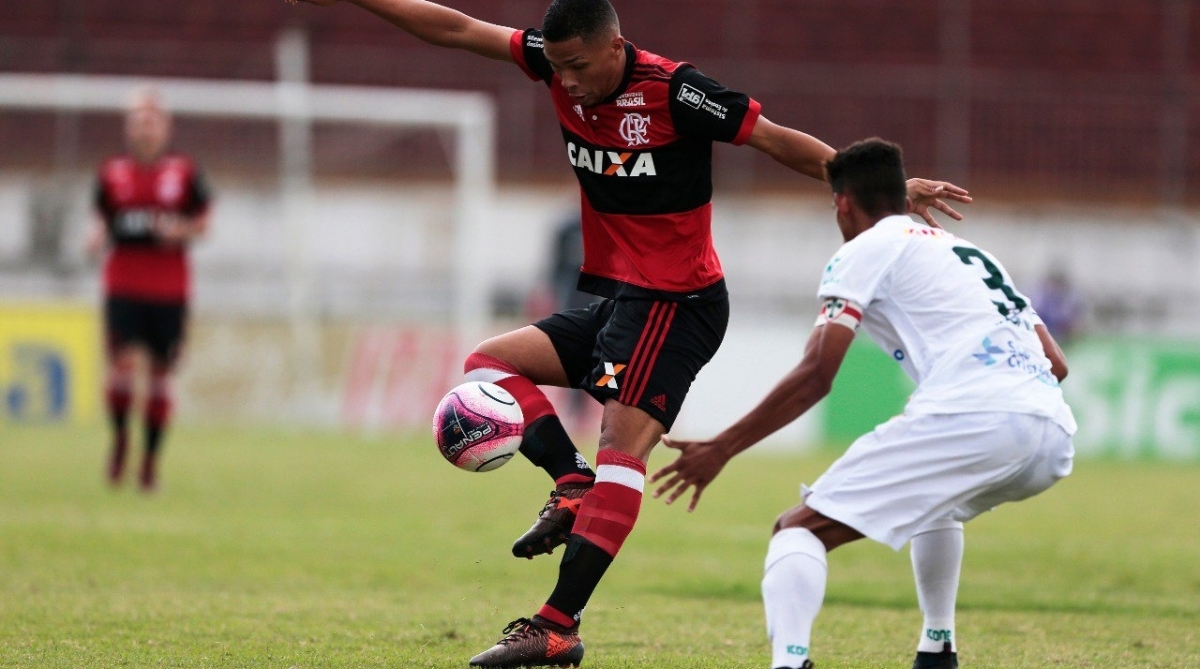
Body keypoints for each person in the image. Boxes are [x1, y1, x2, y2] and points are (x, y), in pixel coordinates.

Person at [290, 1, 970, 666]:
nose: (570, 82)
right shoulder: (554, 66)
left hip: (678, 301)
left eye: (580, 66)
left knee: (621, 446)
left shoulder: (676, 92)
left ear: (614, 47)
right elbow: (456, 27)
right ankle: (568, 480)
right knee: (488, 365)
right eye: (558, 68)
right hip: (616, 297)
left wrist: (887, 190)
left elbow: (775, 138)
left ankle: (555, 627)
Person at [650, 138, 1076, 669]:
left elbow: (817, 373)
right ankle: (936, 650)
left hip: (976, 415)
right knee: (935, 501)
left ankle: (789, 664)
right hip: (1052, 432)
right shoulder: (972, 253)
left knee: (797, 530)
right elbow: (1055, 362)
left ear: (842, 204)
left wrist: (723, 447)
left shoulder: (861, 251)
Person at [86, 88, 213, 493]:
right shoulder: (111, 173)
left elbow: (204, 221)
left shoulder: (185, 173)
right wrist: (94, 236)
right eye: (139, 121)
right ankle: (121, 440)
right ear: (129, 128)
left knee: (160, 377)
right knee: (121, 370)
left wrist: (183, 230)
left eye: (153, 121)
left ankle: (150, 464)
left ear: (166, 127)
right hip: (122, 283)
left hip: (169, 290)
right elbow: (100, 219)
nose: (146, 128)